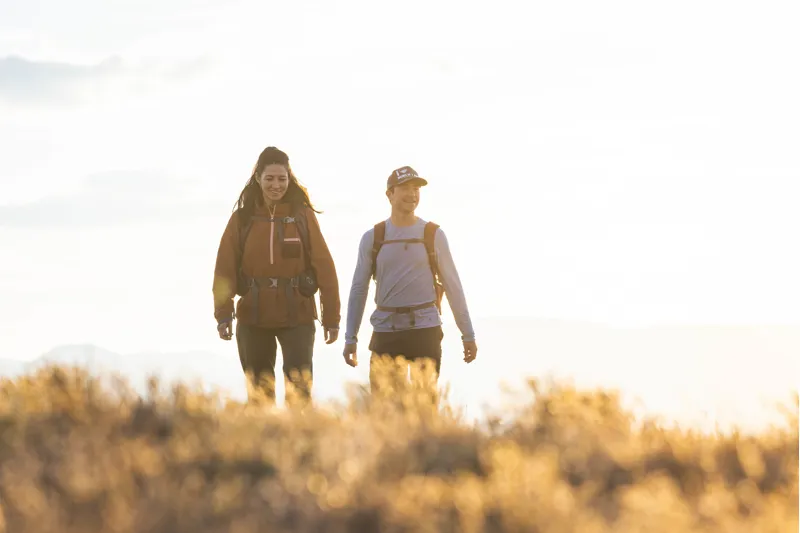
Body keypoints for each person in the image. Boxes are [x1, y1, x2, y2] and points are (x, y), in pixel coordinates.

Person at [212, 146, 341, 406]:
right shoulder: (242, 219)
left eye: (282, 179)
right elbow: (224, 268)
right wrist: (223, 313)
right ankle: (264, 444)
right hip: (252, 316)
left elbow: (325, 266)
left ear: (289, 179)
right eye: (269, 178)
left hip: (298, 315)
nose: (276, 185)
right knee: (259, 393)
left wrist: (331, 318)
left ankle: (301, 443)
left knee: (300, 391)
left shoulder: (302, 216)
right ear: (258, 178)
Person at [342, 165, 477, 398]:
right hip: (386, 332)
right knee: (383, 409)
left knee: (425, 407)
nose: (412, 194)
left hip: (425, 332)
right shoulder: (373, 237)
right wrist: (350, 337)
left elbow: (453, 286)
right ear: (389, 194)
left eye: (416, 189)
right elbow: (358, 289)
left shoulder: (433, 234)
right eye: (404, 188)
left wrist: (468, 334)